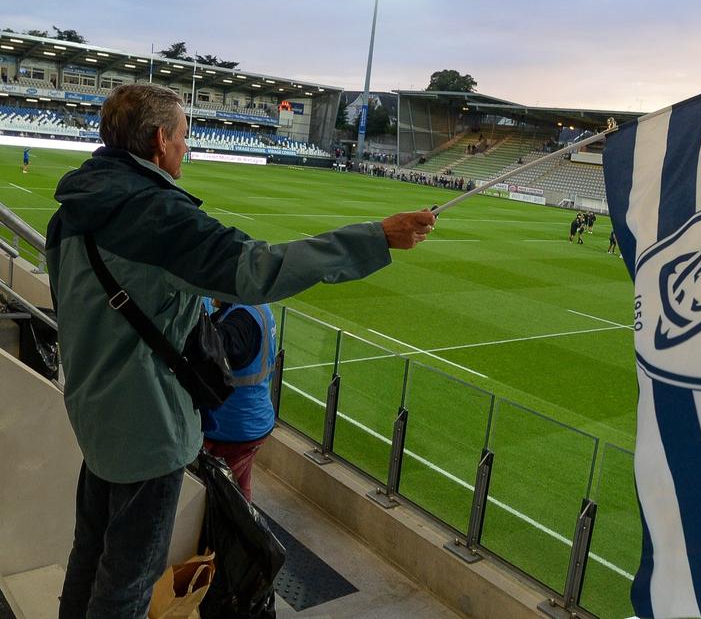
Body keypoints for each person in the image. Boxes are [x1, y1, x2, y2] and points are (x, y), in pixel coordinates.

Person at [47, 83, 436, 617]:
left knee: (88, 555)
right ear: (160, 140)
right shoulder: (157, 216)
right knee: (128, 580)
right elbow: (258, 270)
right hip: (147, 430)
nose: (187, 147)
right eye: (184, 136)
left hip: (91, 413)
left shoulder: (72, 209)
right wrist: (375, 238)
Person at [201, 298, 276, 502]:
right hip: (254, 421)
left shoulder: (241, 321)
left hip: (228, 427)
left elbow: (210, 351)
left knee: (214, 496)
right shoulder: (258, 308)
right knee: (239, 490)